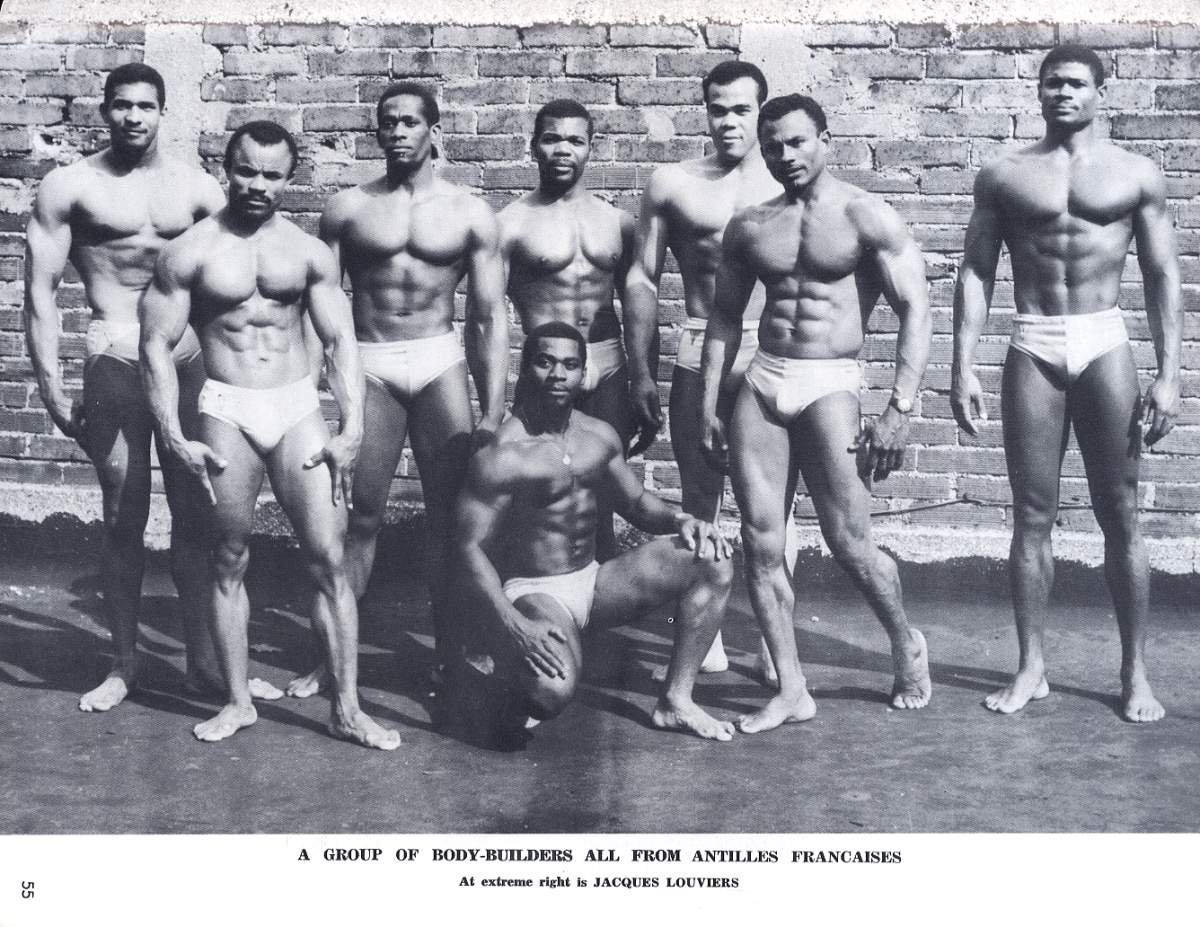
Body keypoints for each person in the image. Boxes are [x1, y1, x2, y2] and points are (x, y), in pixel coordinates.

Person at [24, 63, 278, 711]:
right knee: (122, 517)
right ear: (104, 111)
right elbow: (40, 294)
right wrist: (52, 389)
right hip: (114, 350)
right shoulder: (70, 187)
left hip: (185, 356)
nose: (133, 116)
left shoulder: (196, 188)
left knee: (199, 514)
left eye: (145, 106)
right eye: (121, 105)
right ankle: (125, 664)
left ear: (163, 111)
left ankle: (205, 664)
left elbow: (238, 278)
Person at [140, 120, 399, 749]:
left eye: (272, 174)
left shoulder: (308, 253)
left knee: (330, 558)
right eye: (246, 171)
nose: (258, 185)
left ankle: (347, 709)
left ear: (290, 178)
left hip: (295, 408)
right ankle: (238, 701)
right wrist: (172, 435)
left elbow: (340, 341)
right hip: (226, 408)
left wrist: (353, 427)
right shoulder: (189, 252)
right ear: (226, 170)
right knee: (228, 558)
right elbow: (154, 346)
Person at [952, 45, 1180, 723]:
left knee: (1121, 512)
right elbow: (975, 269)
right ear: (1038, 91)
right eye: (1052, 83)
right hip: (1035, 340)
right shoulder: (1005, 174)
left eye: (1077, 83)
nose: (1063, 93)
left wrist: (1170, 374)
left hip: (1104, 339)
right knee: (1031, 514)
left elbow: (1162, 273)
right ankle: (1031, 667)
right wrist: (962, 364)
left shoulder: (1135, 174)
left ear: (1101, 92)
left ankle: (1135, 672)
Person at [702, 94, 934, 733]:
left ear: (825, 141)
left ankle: (905, 642)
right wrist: (709, 403)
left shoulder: (865, 216)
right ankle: (792, 688)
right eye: (772, 146)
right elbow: (724, 316)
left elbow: (916, 307)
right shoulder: (750, 225)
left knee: (850, 543)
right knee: (760, 542)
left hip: (830, 382)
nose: (785, 155)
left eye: (797, 142)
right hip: (764, 379)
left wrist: (900, 407)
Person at [288, 81, 508, 696]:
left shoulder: (470, 213)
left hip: (438, 359)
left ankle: (452, 657)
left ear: (435, 132)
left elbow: (488, 315)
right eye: (388, 123)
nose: (398, 132)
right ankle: (331, 660)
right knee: (359, 516)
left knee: (451, 519)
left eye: (410, 122)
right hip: (371, 361)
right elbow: (321, 307)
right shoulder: (347, 209)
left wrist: (493, 407)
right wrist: (310, 390)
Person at [455, 322, 736, 741]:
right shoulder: (503, 453)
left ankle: (676, 701)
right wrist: (513, 624)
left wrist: (681, 521)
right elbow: (467, 549)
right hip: (535, 591)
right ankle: (494, 673)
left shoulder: (597, 436)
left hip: (594, 582)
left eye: (570, 365)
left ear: (583, 373)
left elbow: (636, 503)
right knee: (550, 692)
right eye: (545, 362)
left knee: (713, 558)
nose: (558, 375)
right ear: (525, 369)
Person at [625, 61, 788, 679]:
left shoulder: (788, 182)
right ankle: (705, 635)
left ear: (761, 111)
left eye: (741, 110)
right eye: (717, 110)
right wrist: (641, 367)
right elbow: (642, 277)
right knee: (702, 498)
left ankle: (775, 645)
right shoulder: (674, 184)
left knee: (773, 507)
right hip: (700, 345)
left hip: (770, 349)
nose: (728, 122)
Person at [495, 99, 635, 562]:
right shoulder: (511, 223)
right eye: (552, 138)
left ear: (591, 147)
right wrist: (492, 402)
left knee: (606, 490)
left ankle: (601, 596)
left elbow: (639, 303)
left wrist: (643, 378)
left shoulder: (617, 223)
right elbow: (488, 316)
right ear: (533, 146)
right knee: (536, 494)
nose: (563, 149)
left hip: (606, 361)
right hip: (546, 368)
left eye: (575, 140)